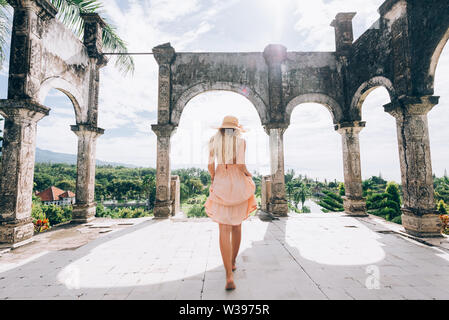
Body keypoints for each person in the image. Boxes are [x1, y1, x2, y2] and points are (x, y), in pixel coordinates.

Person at [204, 115, 258, 290]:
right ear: (236, 129)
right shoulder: (241, 142)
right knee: (237, 226)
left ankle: (228, 275)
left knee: (223, 228)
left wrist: (214, 178)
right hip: (238, 183)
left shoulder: (214, 141)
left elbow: (210, 165)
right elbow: (241, 165)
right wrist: (248, 174)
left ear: (222, 128)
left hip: (221, 181)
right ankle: (233, 262)